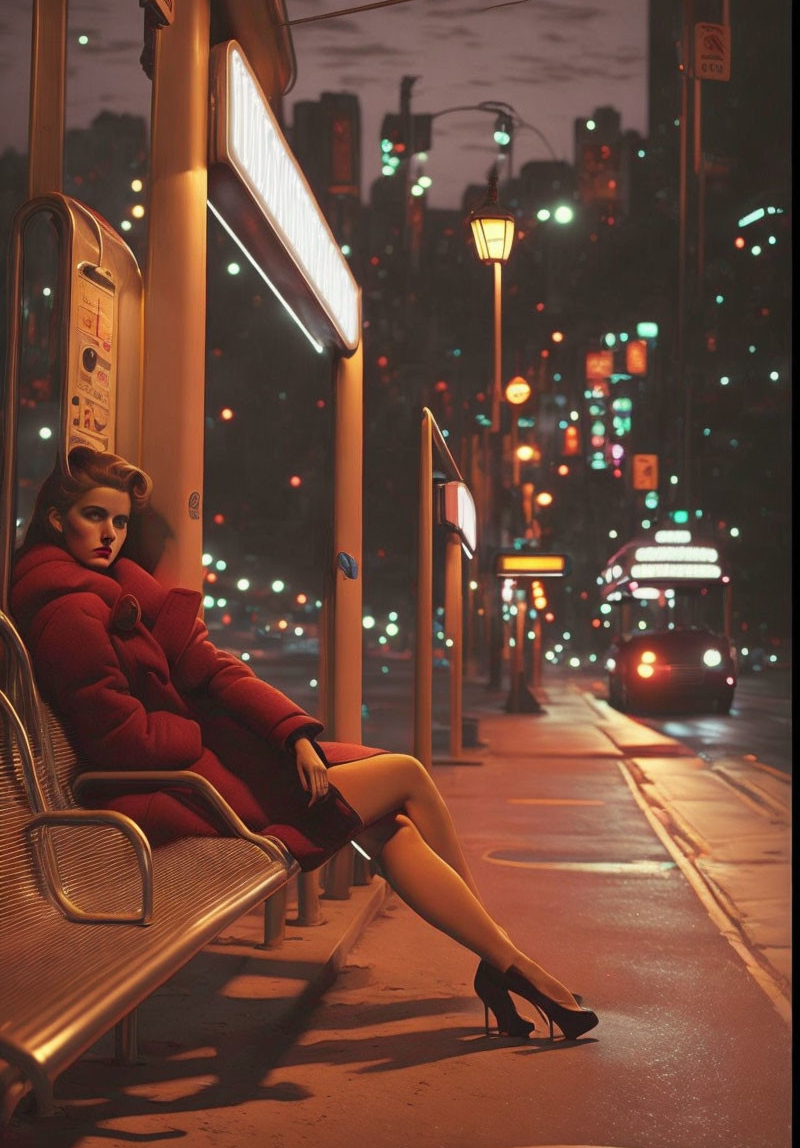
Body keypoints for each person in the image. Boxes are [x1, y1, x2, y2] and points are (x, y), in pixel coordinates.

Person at [10, 446, 598, 1043]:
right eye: (93, 517)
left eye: (120, 521)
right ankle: (509, 966)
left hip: (211, 770)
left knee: (389, 823)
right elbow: (123, 744)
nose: (110, 534)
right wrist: (198, 727)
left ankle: (504, 965)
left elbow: (215, 670)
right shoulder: (70, 612)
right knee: (407, 776)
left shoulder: (117, 590)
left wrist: (291, 734)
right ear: (57, 520)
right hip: (175, 792)